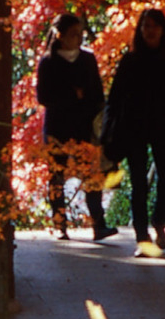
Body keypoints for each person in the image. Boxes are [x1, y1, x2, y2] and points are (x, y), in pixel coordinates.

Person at [101, 8, 165, 254]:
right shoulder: (130, 61)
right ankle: (142, 236)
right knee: (139, 183)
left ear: (163, 30)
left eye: (155, 26)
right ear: (140, 31)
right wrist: (108, 132)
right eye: (146, 26)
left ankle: (159, 222)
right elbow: (115, 99)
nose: (150, 31)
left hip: (163, 127)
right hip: (133, 127)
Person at [35, 13, 116, 240]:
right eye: (73, 34)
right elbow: (43, 97)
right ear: (60, 36)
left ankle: (98, 224)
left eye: (80, 33)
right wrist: (73, 95)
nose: (78, 38)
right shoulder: (48, 62)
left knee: (92, 176)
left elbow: (98, 96)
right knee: (57, 177)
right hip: (57, 127)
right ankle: (60, 225)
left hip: (84, 126)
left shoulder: (88, 60)